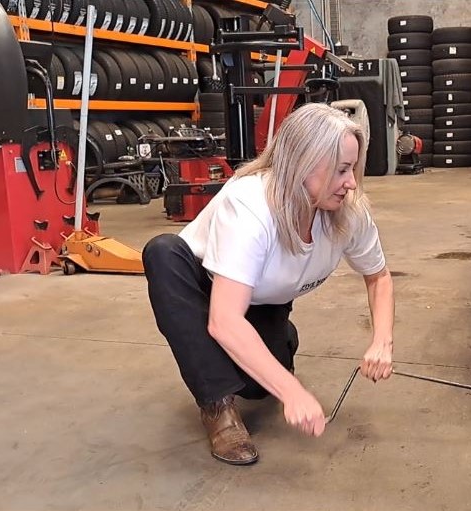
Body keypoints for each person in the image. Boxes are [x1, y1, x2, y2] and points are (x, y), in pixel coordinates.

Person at [142, 103, 395, 465]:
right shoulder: (250, 205)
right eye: (342, 170)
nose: (351, 182)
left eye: (353, 169)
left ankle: (278, 340)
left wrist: (382, 342)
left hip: (266, 299)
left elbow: (379, 276)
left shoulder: (349, 211)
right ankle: (219, 410)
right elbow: (224, 320)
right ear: (305, 163)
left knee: (258, 389)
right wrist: (293, 392)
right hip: (206, 288)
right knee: (162, 252)